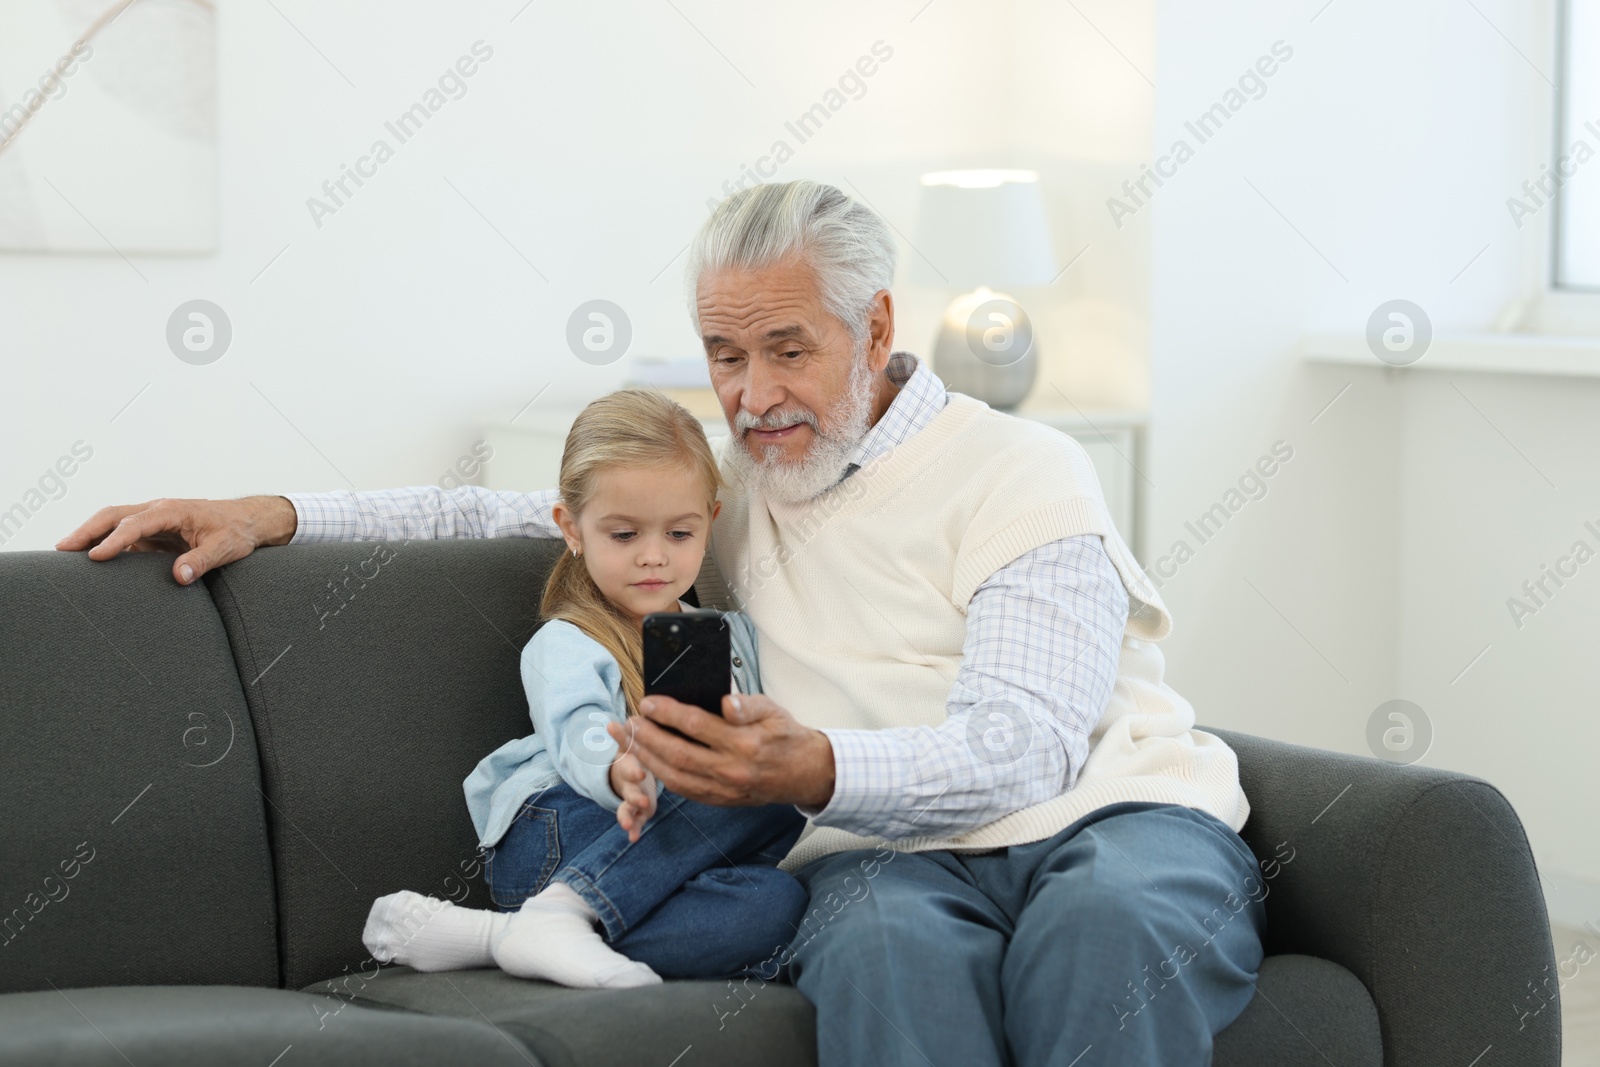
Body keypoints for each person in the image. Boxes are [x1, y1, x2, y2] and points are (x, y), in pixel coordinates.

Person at [58, 179, 1265, 1066]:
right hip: (884, 855)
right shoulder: (738, 502)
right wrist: (271, 511)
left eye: (788, 350)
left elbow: (1027, 744)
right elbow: (511, 512)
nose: (751, 395)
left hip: (1113, 817)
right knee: (889, 959)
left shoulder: (1022, 466)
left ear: (879, 328)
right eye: (725, 355)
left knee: (1103, 932)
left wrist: (816, 764)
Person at [362, 388, 807, 989]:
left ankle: (509, 936)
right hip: (561, 832)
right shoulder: (568, 641)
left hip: (658, 861)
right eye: (624, 535)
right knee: (739, 790)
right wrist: (621, 768)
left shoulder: (730, 636)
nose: (654, 557)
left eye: (679, 534)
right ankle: (559, 908)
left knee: (773, 898)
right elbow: (579, 732)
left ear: (711, 523)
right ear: (571, 529)